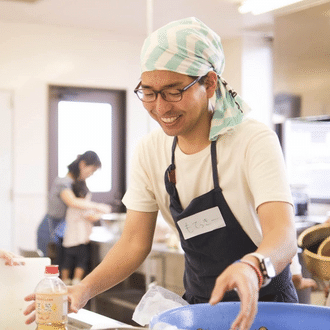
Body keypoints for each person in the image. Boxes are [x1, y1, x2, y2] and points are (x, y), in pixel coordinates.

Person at [25, 17, 298, 329]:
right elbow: (133, 243)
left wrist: (253, 266)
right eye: (149, 92)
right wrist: (83, 289)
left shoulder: (252, 139)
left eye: (173, 91)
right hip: (199, 307)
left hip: (266, 308)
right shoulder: (150, 150)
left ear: (209, 83)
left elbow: (284, 236)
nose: (160, 107)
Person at [36, 151, 110, 265]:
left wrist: (97, 214)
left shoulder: (77, 184)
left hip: (60, 229)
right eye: (91, 170)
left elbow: (81, 208)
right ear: (82, 164)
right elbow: (72, 202)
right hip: (49, 229)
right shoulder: (63, 182)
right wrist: (98, 206)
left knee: (58, 266)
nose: (91, 174)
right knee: (49, 266)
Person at [61, 180, 104, 285]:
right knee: (81, 261)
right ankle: (77, 281)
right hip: (80, 241)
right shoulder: (82, 208)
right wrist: (103, 212)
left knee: (66, 262)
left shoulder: (70, 208)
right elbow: (92, 217)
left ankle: (64, 281)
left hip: (68, 241)